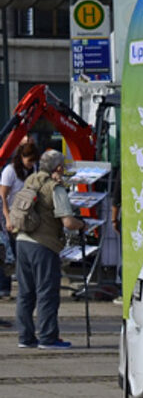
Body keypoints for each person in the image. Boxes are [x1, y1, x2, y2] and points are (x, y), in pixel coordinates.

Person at [12, 150, 83, 349]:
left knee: (25, 293)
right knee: (47, 293)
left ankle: (25, 338)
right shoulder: (55, 188)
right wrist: (82, 225)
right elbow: (68, 222)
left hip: (22, 240)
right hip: (43, 245)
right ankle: (48, 337)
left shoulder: (31, 180)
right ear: (58, 168)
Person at [0, 141, 41, 300]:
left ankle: (28, 286)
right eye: (29, 161)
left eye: (34, 161)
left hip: (27, 214)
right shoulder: (10, 171)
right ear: (22, 157)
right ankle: (4, 287)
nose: (32, 164)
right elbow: (3, 196)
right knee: (9, 252)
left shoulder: (34, 170)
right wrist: (7, 219)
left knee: (25, 251)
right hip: (9, 212)